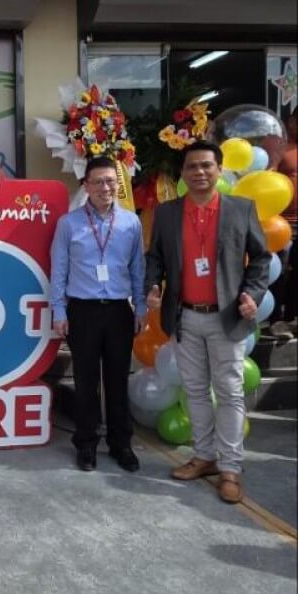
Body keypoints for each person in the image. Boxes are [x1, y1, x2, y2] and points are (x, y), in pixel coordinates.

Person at [145, 140, 269, 504]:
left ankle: (230, 468)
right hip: (185, 316)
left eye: (206, 166)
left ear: (218, 170)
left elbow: (261, 259)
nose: (199, 172)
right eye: (192, 167)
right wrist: (153, 285)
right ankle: (204, 456)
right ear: (183, 174)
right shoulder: (168, 213)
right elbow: (156, 258)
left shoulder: (240, 209)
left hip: (226, 317)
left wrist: (252, 294)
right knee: (196, 390)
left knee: (229, 392)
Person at [50, 156, 147, 473]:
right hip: (83, 311)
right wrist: (58, 310)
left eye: (111, 181)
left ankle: (121, 444)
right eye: (98, 182)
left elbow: (137, 269)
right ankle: (86, 444)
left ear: (118, 184)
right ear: (86, 186)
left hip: (119, 310)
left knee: (118, 381)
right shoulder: (70, 223)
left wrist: (141, 307)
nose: (106, 187)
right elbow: (59, 269)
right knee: (85, 380)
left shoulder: (131, 222)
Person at [270, 106, 297, 339]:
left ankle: (292, 317)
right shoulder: (280, 148)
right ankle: (276, 320)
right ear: (291, 122)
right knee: (278, 272)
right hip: (281, 222)